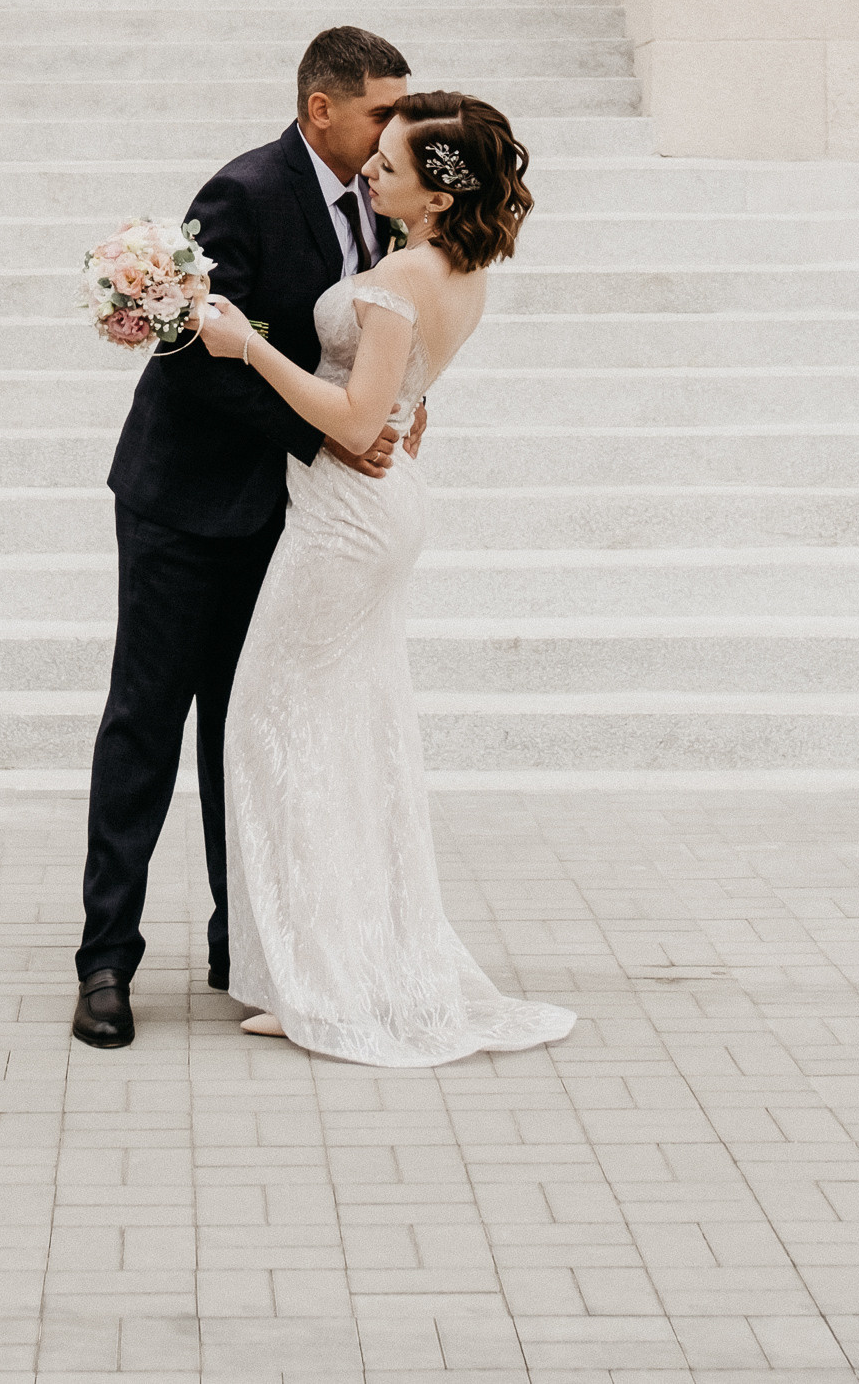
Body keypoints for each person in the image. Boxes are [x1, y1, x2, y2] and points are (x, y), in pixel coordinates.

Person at [193, 89, 575, 1068]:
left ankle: (322, 978)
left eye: (390, 165)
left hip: (346, 515)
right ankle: (341, 964)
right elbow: (402, 398)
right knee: (347, 731)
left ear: (438, 196)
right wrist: (397, 404)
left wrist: (247, 346)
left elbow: (357, 421)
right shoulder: (458, 269)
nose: (369, 170)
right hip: (380, 503)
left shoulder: (399, 274)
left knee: (270, 726)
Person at [73, 23, 422, 1050]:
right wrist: (325, 435)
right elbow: (191, 352)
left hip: (289, 518)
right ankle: (105, 961)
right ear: (322, 108)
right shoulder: (245, 190)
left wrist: (394, 406)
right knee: (145, 723)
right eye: (380, 111)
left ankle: (244, 952)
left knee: (247, 728)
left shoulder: (383, 204)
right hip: (181, 505)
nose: (393, 129)